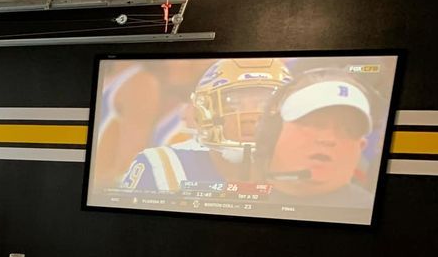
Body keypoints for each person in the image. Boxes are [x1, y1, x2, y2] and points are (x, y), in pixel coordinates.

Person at [119, 58, 291, 192]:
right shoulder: (161, 166)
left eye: (265, 104)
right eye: (233, 103)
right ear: (205, 111)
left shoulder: (305, 171)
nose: (250, 117)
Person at [258, 72, 375, 207]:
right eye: (314, 123)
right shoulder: (236, 194)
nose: (329, 139)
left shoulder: (367, 210)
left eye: (348, 130)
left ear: (360, 147)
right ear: (274, 132)